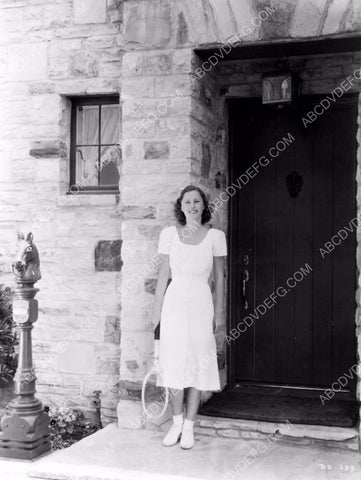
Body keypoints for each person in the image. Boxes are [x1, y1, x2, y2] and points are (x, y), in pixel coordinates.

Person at [152, 185, 227, 449]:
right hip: (174, 303)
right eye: (187, 202)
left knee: (197, 364)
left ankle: (190, 427)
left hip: (200, 303)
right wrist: (156, 310)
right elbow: (163, 276)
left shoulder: (215, 236)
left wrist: (219, 313)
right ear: (180, 206)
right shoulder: (169, 235)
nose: (192, 206)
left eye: (197, 202)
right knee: (173, 364)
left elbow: (219, 277)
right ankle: (176, 423)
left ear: (204, 206)